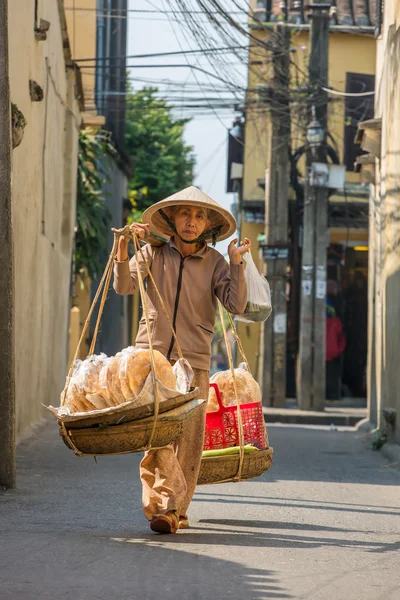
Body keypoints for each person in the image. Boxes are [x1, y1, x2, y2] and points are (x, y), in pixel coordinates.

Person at [113, 186, 250, 534]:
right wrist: (123, 246)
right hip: (151, 360)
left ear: (208, 225)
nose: (192, 222)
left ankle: (174, 509)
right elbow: (124, 287)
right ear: (172, 218)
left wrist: (237, 265)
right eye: (185, 214)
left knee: (188, 441)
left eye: (200, 215)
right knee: (155, 437)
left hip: (195, 362)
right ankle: (165, 507)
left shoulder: (217, 263)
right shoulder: (153, 253)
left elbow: (236, 305)